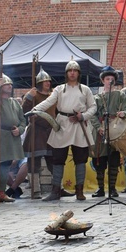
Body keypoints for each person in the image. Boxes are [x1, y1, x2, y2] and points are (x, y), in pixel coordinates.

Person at [31, 60, 96, 201]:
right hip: (62, 124)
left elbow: (93, 107)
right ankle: (56, 191)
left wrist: (83, 116)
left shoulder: (85, 89)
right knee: (58, 158)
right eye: (70, 70)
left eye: (75, 70)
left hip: (79, 125)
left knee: (80, 159)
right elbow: (49, 101)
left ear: (78, 73)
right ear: (66, 73)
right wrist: (35, 109)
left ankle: (79, 191)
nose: (72, 73)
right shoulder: (60, 89)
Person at [0, 74, 26, 204]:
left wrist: (19, 130)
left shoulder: (14, 103)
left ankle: (1, 193)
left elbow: (23, 120)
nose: (10, 86)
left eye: (10, 84)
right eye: (6, 84)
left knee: (5, 166)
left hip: (10, 137)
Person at [90, 67, 126, 197]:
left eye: (112, 79)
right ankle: (100, 188)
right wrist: (98, 127)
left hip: (115, 129)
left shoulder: (120, 95)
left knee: (113, 160)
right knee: (100, 160)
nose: (110, 81)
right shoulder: (96, 98)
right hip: (101, 130)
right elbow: (92, 115)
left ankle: (112, 189)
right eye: (107, 79)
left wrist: (124, 113)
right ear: (103, 81)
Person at [21, 67, 55, 199]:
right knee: (34, 162)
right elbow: (24, 110)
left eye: (49, 81)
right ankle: (35, 190)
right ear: (40, 83)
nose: (48, 83)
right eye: (45, 81)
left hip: (51, 130)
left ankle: (57, 188)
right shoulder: (34, 95)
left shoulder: (53, 95)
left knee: (53, 160)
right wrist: (29, 97)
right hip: (36, 131)